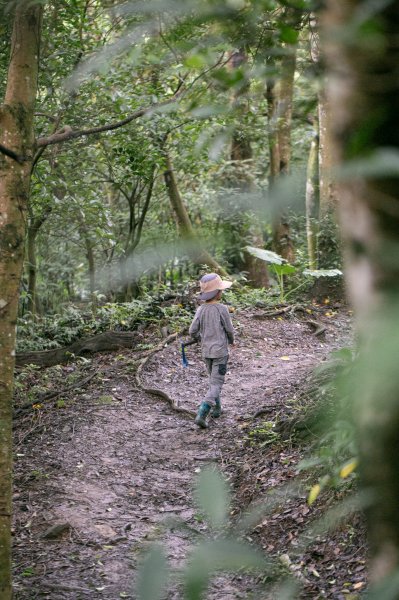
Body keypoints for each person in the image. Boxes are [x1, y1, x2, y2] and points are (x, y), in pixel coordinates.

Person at [189, 273, 235, 428]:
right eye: (221, 289)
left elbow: (192, 330)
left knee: (213, 380)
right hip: (220, 352)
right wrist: (232, 340)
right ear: (218, 292)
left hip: (206, 351)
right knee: (217, 383)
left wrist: (198, 337)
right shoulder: (222, 309)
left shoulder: (201, 309)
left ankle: (217, 409)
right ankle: (202, 412)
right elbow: (229, 329)